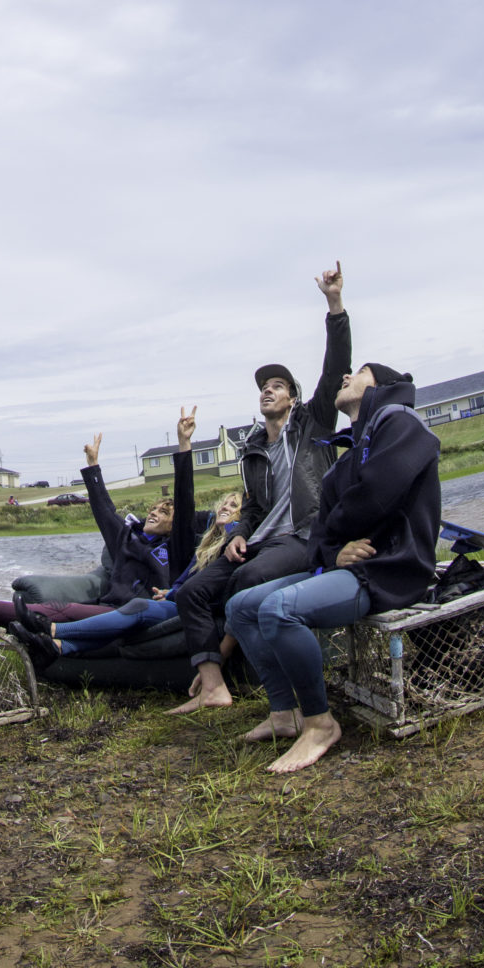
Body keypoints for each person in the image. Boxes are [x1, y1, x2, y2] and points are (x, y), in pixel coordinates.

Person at [225, 361, 441, 774]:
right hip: (345, 569)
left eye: (357, 373)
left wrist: (335, 541)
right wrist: (333, 551)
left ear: (381, 386)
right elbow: (321, 526)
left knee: (279, 610)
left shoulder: (404, 427)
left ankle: (320, 723)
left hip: (388, 569)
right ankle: (284, 712)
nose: (345, 377)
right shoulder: (348, 453)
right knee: (240, 607)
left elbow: (376, 496)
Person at [169, 263, 352, 714]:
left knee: (249, 580)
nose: (267, 392)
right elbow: (251, 510)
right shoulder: (252, 450)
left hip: (305, 535)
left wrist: (334, 304)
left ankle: (267, 683)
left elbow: (336, 366)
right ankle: (213, 687)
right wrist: (236, 536)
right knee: (191, 592)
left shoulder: (314, 424)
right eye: (263, 388)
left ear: (293, 396)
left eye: (277, 386)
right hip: (263, 541)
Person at [0, 409, 199, 629]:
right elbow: (104, 511)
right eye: (154, 508)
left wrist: (184, 445)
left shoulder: (176, 548)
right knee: (46, 619)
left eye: (164, 512)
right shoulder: (127, 537)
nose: (153, 512)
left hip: (140, 613)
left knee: (59, 610)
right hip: (108, 608)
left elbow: (185, 504)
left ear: (173, 526)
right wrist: (93, 467)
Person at [11, 485, 243, 665]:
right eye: (224, 504)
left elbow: (211, 582)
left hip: (193, 605)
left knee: (139, 607)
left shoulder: (234, 537)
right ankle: (59, 647)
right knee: (130, 616)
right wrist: (171, 591)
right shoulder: (208, 543)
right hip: (178, 599)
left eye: (233, 506)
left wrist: (175, 592)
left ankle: (52, 629)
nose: (225, 507)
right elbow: (193, 580)